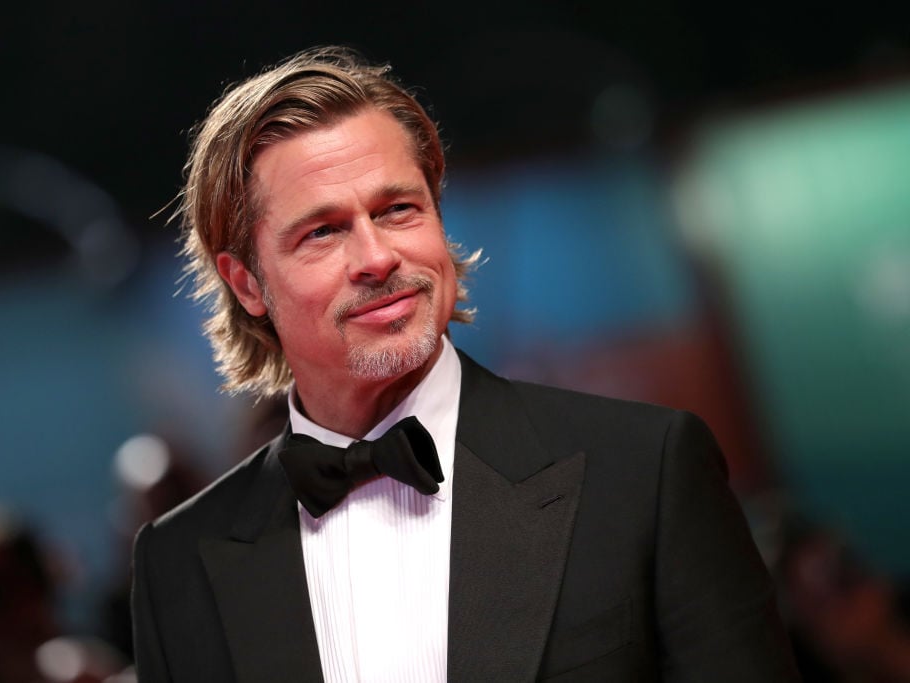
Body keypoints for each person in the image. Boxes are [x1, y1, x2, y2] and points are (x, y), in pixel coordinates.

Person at [131, 46, 800, 682]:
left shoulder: (643, 472)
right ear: (247, 283)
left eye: (398, 209)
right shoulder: (180, 559)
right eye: (323, 231)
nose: (377, 256)